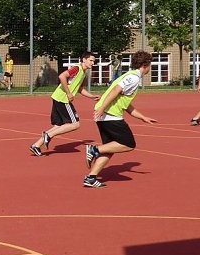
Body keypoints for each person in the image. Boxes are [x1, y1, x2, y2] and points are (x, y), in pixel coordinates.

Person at [83, 50, 158, 188]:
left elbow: (125, 104)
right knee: (128, 144)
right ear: (145, 64)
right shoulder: (133, 78)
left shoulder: (131, 76)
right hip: (110, 115)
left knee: (109, 148)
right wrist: (102, 108)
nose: (150, 67)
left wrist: (142, 117)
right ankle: (93, 150)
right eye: (150, 64)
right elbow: (115, 90)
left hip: (105, 115)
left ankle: (91, 178)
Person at [29, 51, 99, 156]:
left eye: (94, 61)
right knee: (75, 124)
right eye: (91, 60)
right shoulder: (77, 68)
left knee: (59, 125)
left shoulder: (83, 73)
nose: (93, 63)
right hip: (63, 99)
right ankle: (48, 135)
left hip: (58, 97)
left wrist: (92, 96)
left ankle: (36, 145)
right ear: (84, 60)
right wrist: (68, 93)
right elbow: (62, 76)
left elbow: (80, 89)